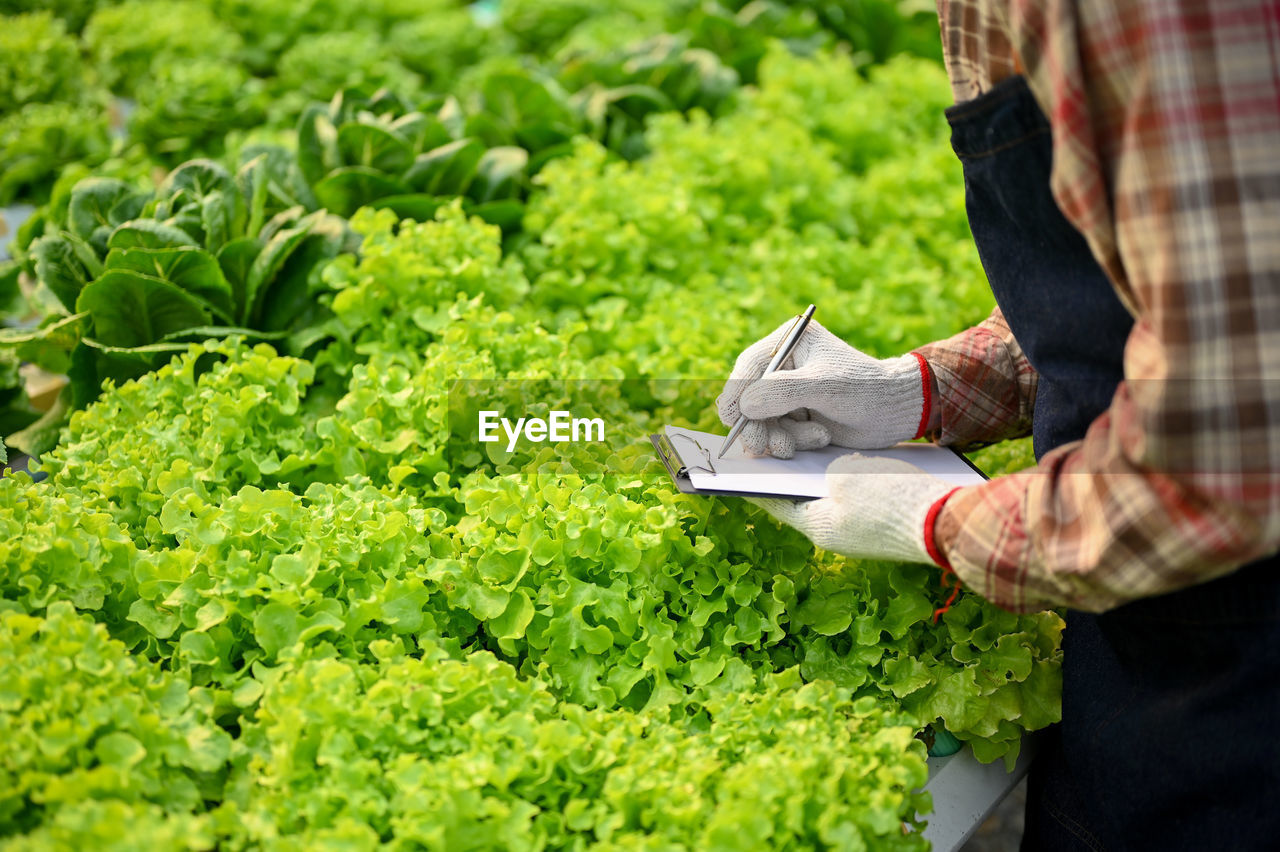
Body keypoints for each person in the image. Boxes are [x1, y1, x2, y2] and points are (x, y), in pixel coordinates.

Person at [716, 1, 1280, 848]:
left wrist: (933, 520)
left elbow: (1221, 458)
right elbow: (1157, 290)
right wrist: (918, 389)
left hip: (1241, 695)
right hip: (1134, 637)